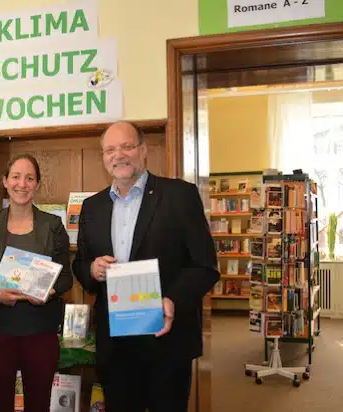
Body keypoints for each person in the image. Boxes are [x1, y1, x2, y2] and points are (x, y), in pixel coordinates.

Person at [72, 121, 220, 412]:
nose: (119, 155)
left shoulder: (179, 195)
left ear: (143, 151)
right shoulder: (92, 207)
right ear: (104, 157)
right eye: (110, 150)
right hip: (115, 345)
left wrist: (172, 299)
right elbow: (80, 263)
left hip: (166, 338)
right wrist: (92, 269)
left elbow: (205, 265)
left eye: (126, 146)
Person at [0, 154, 73, 412]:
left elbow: (65, 279)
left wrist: (49, 292)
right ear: (5, 181)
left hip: (40, 331)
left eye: (30, 178)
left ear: (37, 183)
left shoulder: (52, 225)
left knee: (38, 406)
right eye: (16, 176)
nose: (22, 183)